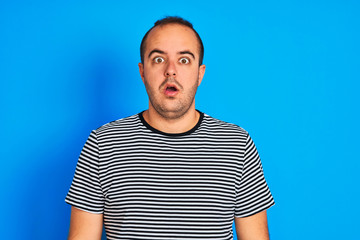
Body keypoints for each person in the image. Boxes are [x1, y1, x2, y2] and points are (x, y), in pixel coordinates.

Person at [65, 16, 275, 240]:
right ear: (142, 71)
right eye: (158, 59)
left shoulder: (236, 144)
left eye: (184, 60)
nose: (170, 71)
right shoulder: (102, 144)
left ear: (200, 73)